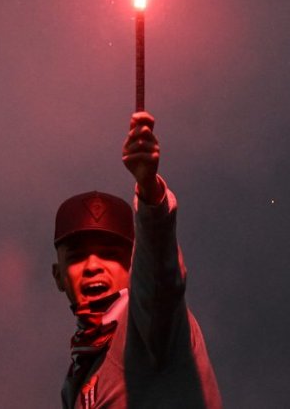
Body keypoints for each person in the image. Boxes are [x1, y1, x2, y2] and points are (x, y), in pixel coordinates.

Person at [51, 112, 222, 408]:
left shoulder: (150, 324)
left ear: (134, 264)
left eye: (110, 254)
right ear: (58, 276)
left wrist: (150, 191)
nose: (93, 266)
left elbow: (160, 274)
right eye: (78, 257)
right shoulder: (81, 368)